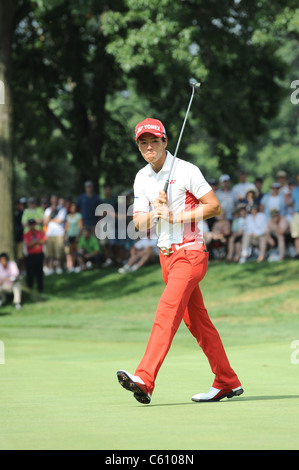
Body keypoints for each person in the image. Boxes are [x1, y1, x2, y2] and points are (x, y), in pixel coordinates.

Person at [117, 118, 243, 404]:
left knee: (167, 310)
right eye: (143, 142)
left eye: (154, 141)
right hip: (166, 258)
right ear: (139, 146)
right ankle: (226, 380)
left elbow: (214, 206)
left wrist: (176, 216)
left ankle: (144, 379)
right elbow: (138, 223)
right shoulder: (141, 177)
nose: (149, 147)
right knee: (198, 324)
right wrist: (156, 214)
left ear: (165, 142)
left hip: (190, 253)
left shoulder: (186, 170)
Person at [43, 195, 67, 274]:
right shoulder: (48, 210)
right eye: (53, 200)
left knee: (58, 252)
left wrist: (50, 219)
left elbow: (60, 220)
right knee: (50, 253)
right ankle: (50, 268)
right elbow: (45, 222)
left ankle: (59, 267)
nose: (54, 201)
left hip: (59, 233)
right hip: (49, 234)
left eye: (55, 200)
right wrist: (52, 212)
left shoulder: (62, 209)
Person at [23, 219, 47, 295]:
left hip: (39, 255)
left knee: (39, 273)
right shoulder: (26, 234)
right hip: (31, 256)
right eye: (31, 224)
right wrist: (37, 241)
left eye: (33, 224)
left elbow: (44, 241)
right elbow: (28, 245)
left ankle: (40, 290)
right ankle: (29, 290)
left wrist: (34, 242)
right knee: (30, 274)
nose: (32, 226)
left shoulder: (39, 232)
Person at [65, 202, 83, 272]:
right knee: (71, 252)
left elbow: (80, 226)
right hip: (70, 235)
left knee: (77, 251)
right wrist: (65, 235)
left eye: (74, 207)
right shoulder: (68, 216)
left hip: (76, 235)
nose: (73, 209)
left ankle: (79, 265)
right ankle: (73, 266)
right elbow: (67, 227)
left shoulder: (78, 215)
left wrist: (78, 236)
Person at [290, 175, 299, 258]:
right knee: (296, 235)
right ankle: (298, 252)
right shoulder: (295, 190)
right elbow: (292, 203)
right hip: (297, 214)